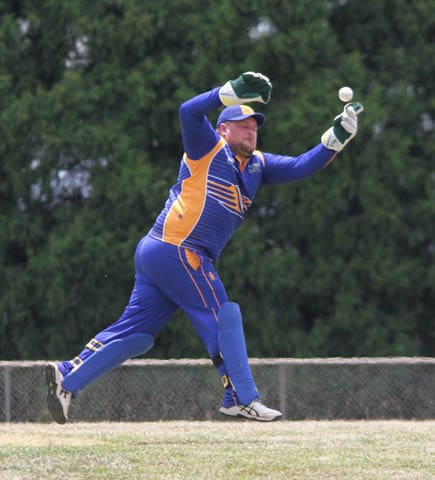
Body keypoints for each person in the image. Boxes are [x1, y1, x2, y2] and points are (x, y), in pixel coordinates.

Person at [45, 72, 362, 424]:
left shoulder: (258, 165)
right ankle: (242, 397)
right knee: (222, 315)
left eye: (254, 126)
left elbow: (302, 165)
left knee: (136, 335)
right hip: (180, 249)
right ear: (223, 130)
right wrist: (228, 92)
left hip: (161, 254)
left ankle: (67, 377)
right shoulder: (207, 148)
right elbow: (188, 111)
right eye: (242, 125)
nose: (251, 131)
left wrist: (336, 138)